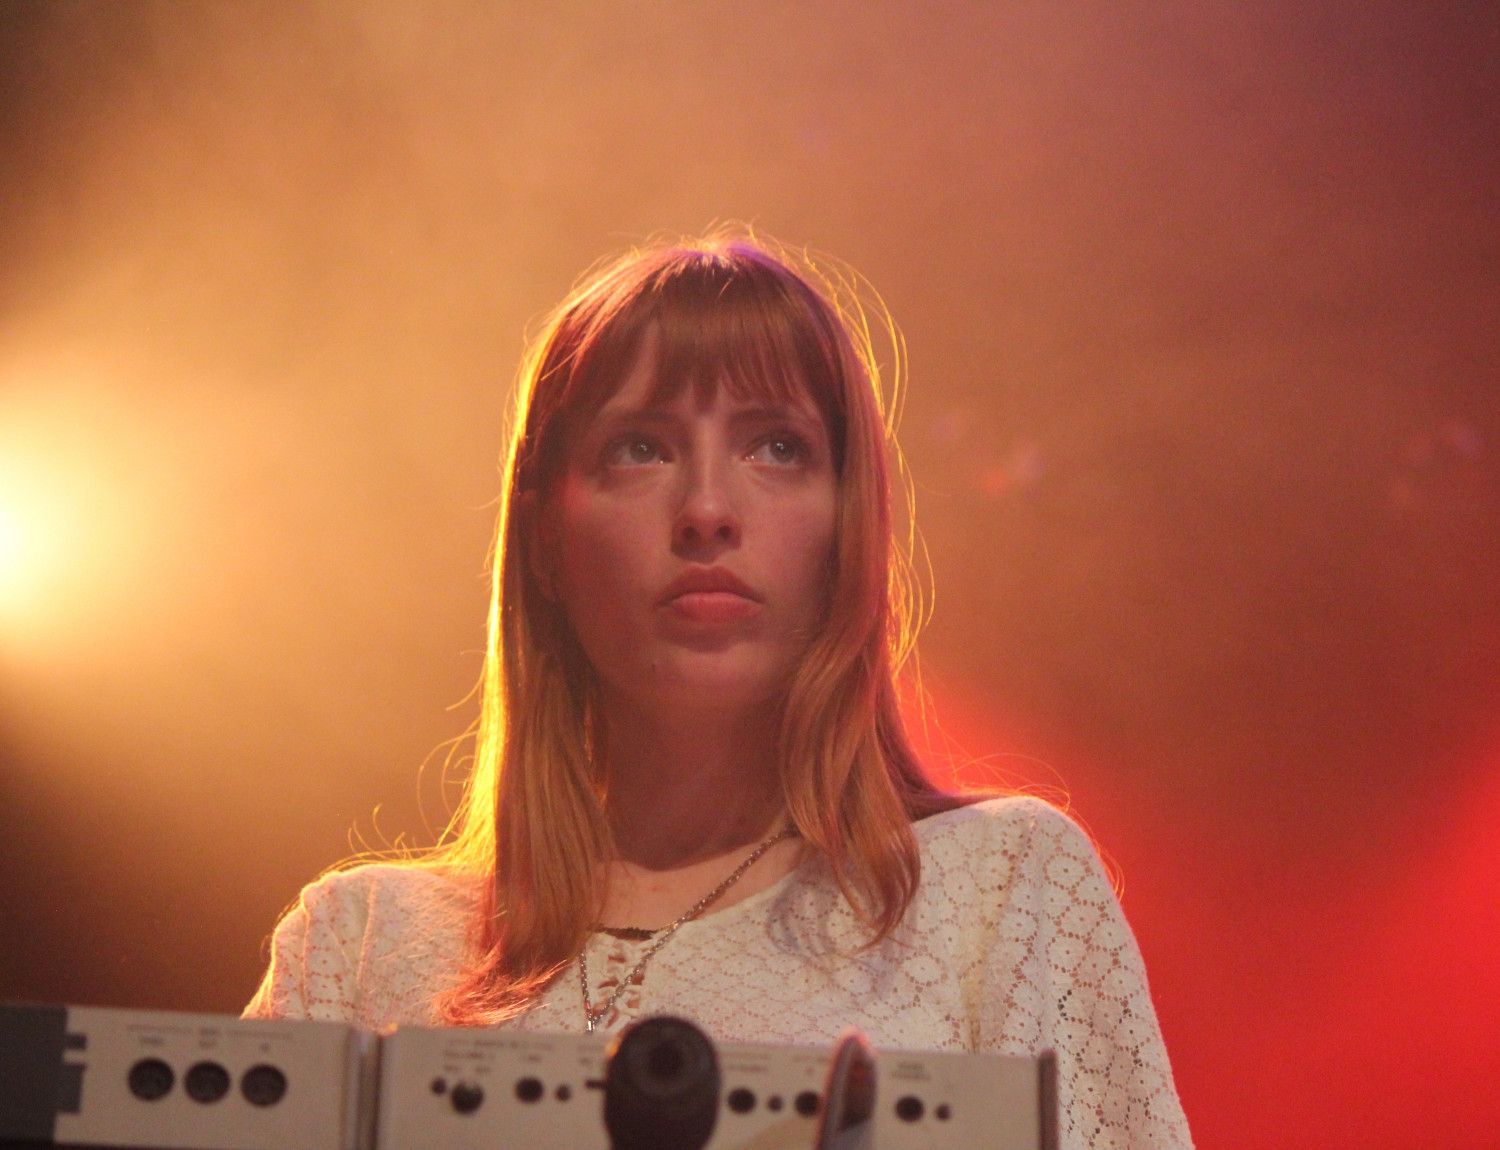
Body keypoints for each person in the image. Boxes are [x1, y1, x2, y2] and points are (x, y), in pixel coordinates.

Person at [244, 231, 1192, 1149]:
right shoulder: (360, 947)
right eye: (640, 449)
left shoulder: (999, 890)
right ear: (543, 540)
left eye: (776, 448)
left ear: (847, 525)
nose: (706, 510)